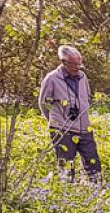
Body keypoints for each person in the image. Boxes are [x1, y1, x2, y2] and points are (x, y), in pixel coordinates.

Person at [38, 45, 101, 179]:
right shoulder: (52, 79)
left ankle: (96, 191)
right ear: (64, 63)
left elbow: (87, 97)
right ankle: (67, 194)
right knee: (67, 166)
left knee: (93, 163)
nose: (78, 68)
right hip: (62, 129)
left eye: (80, 64)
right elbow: (44, 103)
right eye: (74, 64)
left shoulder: (83, 77)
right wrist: (55, 121)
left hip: (84, 127)